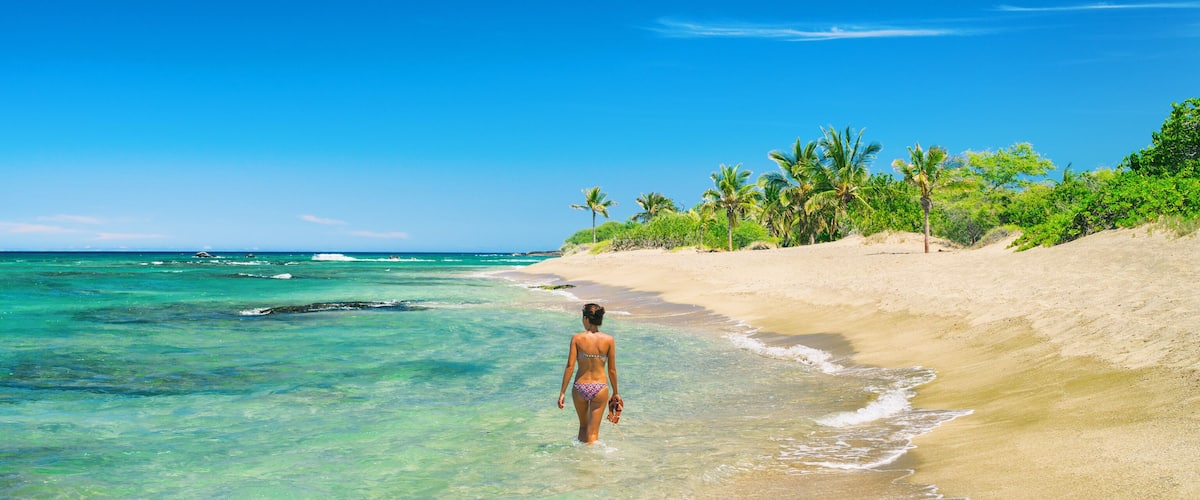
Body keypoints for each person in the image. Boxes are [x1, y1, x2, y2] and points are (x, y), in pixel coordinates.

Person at [558, 303, 620, 444]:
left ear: (586, 319)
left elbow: (570, 367)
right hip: (600, 388)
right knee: (593, 433)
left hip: (580, 387)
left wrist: (562, 392)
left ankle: (580, 461)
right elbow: (612, 370)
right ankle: (591, 463)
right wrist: (616, 393)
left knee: (583, 428)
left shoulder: (577, 339)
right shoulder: (609, 340)